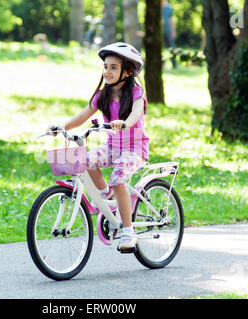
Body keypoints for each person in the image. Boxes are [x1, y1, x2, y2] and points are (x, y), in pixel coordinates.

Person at [46, 42, 149, 252]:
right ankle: (108, 197)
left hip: (135, 149)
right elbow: (83, 116)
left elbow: (137, 111)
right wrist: (61, 127)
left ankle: (128, 231)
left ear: (127, 71)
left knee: (119, 177)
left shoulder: (136, 92)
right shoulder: (102, 96)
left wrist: (125, 122)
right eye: (105, 67)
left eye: (113, 67)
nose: (107, 71)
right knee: (84, 160)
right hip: (113, 147)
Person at [162, 0, 177, 69]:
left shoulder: (168, 8)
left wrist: (173, 31)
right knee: (160, 49)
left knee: (171, 48)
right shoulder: (157, 8)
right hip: (159, 32)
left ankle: (174, 64)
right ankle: (162, 64)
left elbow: (172, 20)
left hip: (168, 31)